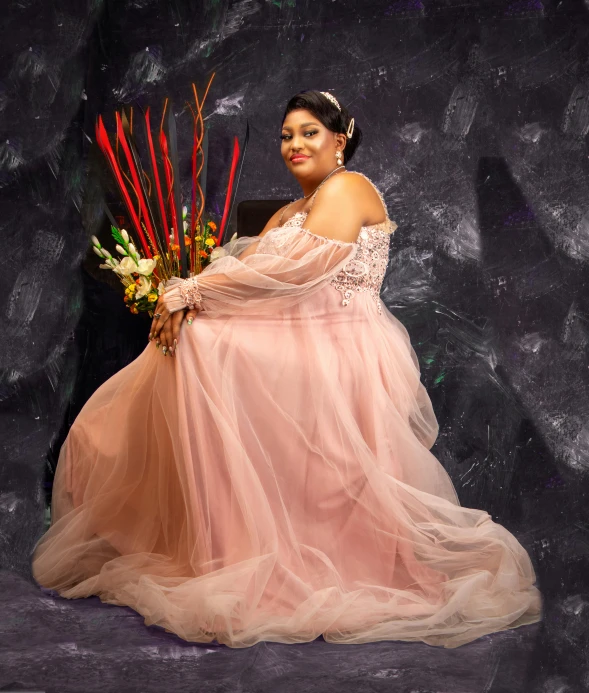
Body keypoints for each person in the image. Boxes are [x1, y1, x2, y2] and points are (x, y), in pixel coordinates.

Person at [32, 90, 542, 648]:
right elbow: (246, 269)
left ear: (339, 140)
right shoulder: (291, 210)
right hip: (299, 339)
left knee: (204, 343)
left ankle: (245, 553)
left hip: (341, 343)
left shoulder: (349, 188)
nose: (294, 144)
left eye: (309, 133)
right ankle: (222, 546)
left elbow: (303, 267)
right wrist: (185, 299)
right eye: (285, 136)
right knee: (195, 339)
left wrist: (191, 291)